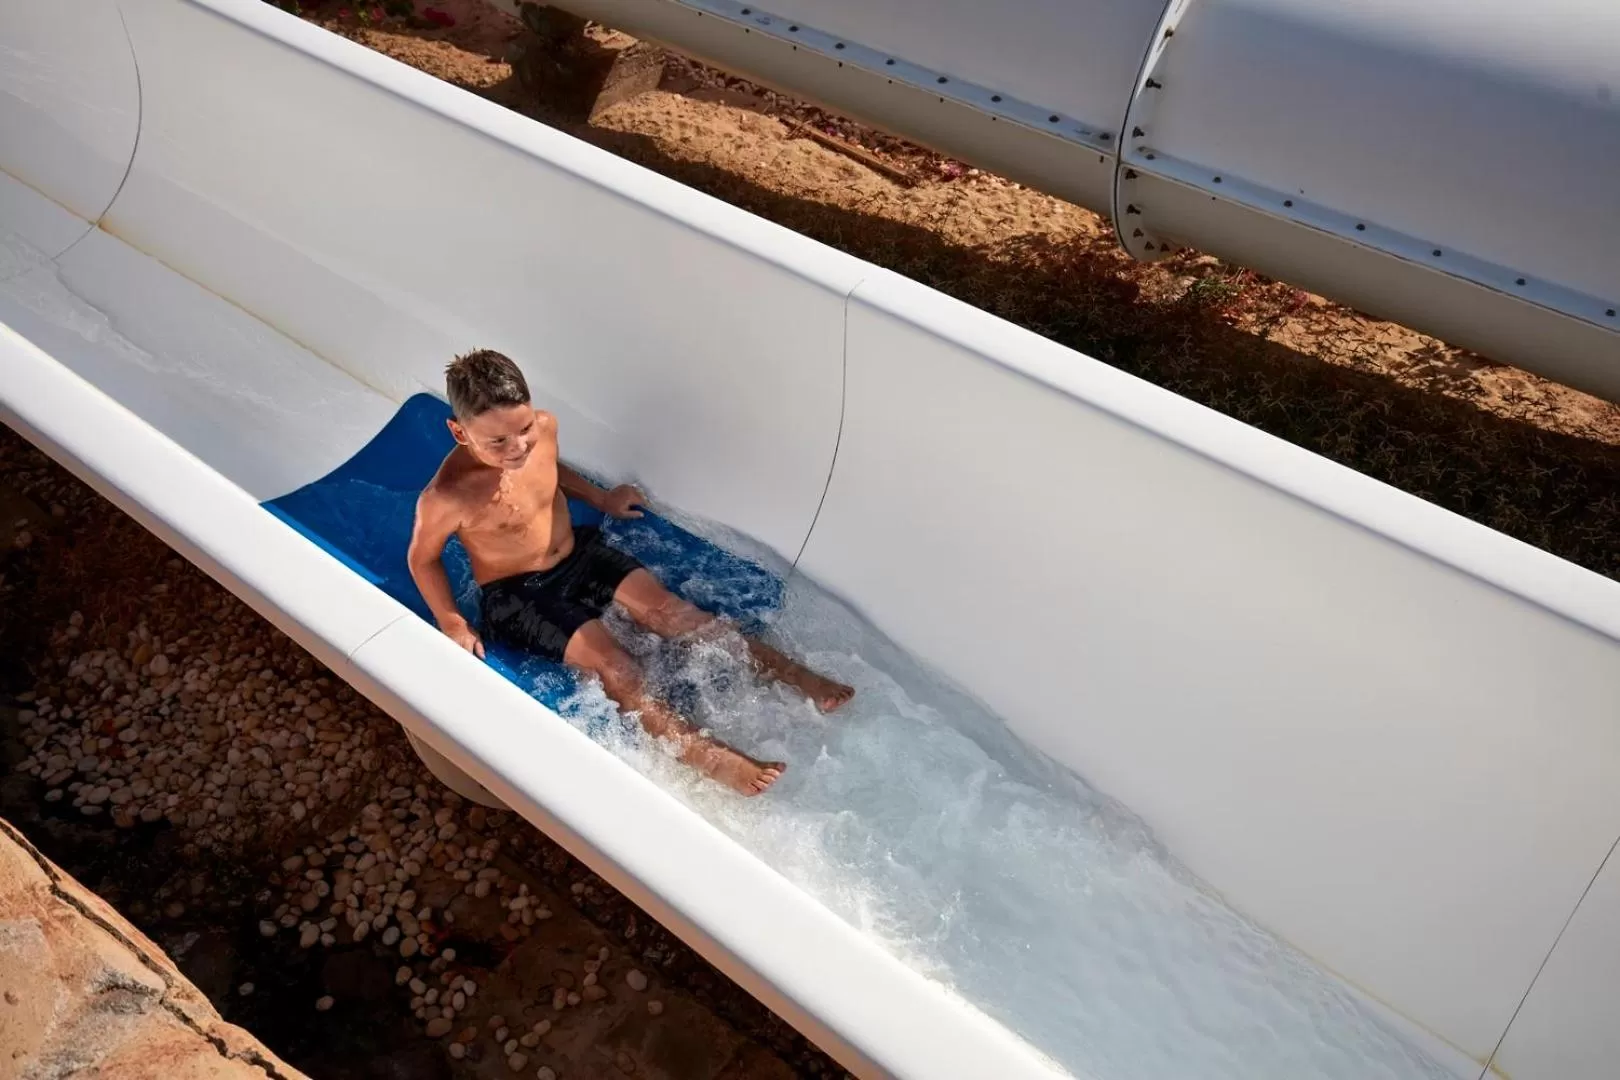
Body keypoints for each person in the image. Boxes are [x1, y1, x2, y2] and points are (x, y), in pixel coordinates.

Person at [408, 349, 854, 796]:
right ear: (459, 432)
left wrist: (601, 499)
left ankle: (793, 674)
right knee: (616, 666)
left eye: (523, 429)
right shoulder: (446, 496)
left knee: (674, 613)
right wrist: (451, 619)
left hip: (578, 555)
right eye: (497, 442)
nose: (518, 447)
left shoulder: (544, 429)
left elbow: (550, 469)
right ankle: (709, 756)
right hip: (519, 593)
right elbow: (423, 559)